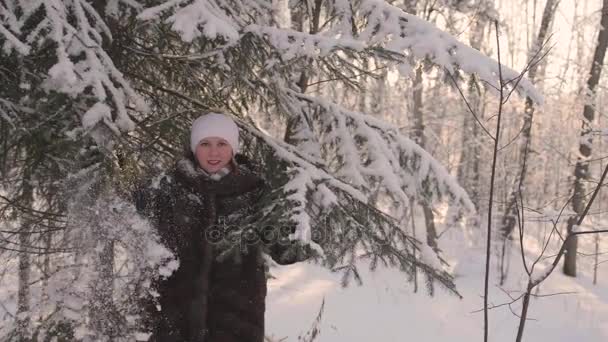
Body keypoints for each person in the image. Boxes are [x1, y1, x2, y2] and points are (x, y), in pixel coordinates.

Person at [134, 113, 302, 342]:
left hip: (236, 325)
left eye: (222, 144)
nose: (214, 152)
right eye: (205, 144)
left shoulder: (255, 192)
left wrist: (293, 215)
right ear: (194, 148)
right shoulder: (170, 187)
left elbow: (286, 252)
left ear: (233, 148)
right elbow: (129, 193)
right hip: (175, 322)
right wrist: (118, 154)